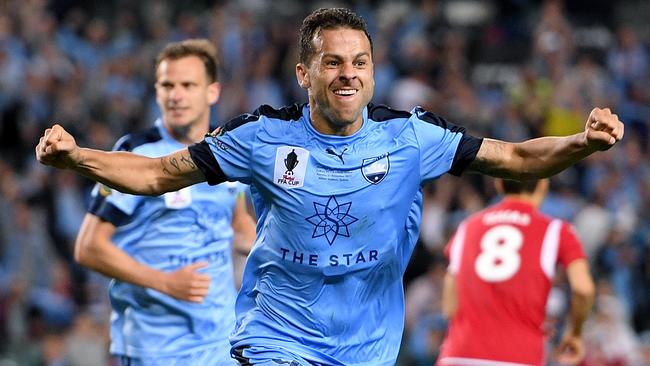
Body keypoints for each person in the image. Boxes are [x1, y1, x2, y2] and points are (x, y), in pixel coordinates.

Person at [35, 7, 623, 365]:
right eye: (334, 63)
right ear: (305, 73)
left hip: (366, 347)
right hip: (277, 337)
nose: (349, 74)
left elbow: (518, 157)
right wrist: (77, 157)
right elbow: (158, 173)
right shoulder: (261, 138)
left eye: (360, 62)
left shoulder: (412, 138)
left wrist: (582, 145)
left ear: (372, 70)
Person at [73, 39, 256, 365]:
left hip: (220, 343)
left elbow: (240, 227)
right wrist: (166, 283)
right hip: (155, 348)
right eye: (167, 85)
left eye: (187, 85)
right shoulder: (136, 154)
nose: (176, 95)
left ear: (212, 92)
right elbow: (89, 246)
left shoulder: (226, 154)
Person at [438, 178, 595, 366]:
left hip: (459, 354)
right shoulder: (556, 231)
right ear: (543, 183)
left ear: (498, 184)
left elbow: (449, 306)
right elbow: (583, 289)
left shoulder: (467, 227)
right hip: (518, 356)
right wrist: (574, 333)